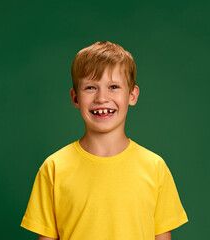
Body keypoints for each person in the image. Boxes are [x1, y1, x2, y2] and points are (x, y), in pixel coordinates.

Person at [20, 41, 188, 240]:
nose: (102, 98)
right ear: (75, 98)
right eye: (90, 87)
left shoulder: (155, 168)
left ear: (132, 95)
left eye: (113, 87)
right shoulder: (54, 168)